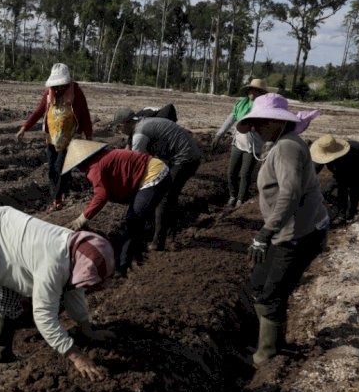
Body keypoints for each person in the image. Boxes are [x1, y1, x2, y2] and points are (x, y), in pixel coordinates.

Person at [0, 206, 116, 392]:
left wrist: (87, 329)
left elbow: (74, 292)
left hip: (1, 239)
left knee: (8, 303)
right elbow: (43, 316)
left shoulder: (77, 249)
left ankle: (1, 355)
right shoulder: (53, 265)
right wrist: (76, 356)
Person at [235, 93, 329, 365]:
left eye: (261, 122)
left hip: (297, 235)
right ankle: (274, 343)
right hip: (287, 231)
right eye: (253, 123)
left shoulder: (287, 147)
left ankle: (266, 356)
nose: (256, 128)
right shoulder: (283, 144)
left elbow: (290, 193)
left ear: (278, 123)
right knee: (259, 284)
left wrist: (265, 233)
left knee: (272, 294)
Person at [60, 139, 171, 274]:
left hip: (154, 176)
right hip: (156, 168)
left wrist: (82, 218)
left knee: (133, 220)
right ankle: (139, 251)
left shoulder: (95, 167)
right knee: (138, 216)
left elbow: (101, 195)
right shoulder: (104, 156)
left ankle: (122, 267)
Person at [111, 108, 202, 251]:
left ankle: (159, 242)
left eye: (119, 126)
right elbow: (127, 152)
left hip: (185, 159)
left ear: (127, 123)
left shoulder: (140, 134)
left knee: (164, 197)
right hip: (176, 155)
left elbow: (135, 165)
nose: (118, 130)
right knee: (166, 194)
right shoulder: (140, 125)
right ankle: (166, 234)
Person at [16, 63, 94, 212]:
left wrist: (88, 135)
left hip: (69, 138)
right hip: (52, 138)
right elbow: (39, 111)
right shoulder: (49, 93)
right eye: (55, 85)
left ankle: (57, 200)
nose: (57, 88)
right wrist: (25, 127)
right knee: (52, 169)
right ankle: (59, 193)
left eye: (60, 84)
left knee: (60, 167)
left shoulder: (76, 92)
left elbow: (84, 114)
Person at [212, 78, 269, 208]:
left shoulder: (265, 109)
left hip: (253, 146)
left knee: (245, 174)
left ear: (261, 93)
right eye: (250, 89)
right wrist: (219, 135)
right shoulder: (240, 104)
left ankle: (240, 199)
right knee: (231, 172)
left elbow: (268, 128)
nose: (251, 92)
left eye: (255, 90)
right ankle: (233, 195)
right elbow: (230, 119)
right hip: (238, 143)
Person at [310, 135, 359, 223]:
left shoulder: (346, 156)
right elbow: (314, 170)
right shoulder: (322, 152)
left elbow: (341, 183)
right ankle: (341, 206)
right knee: (327, 191)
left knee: (353, 187)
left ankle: (349, 213)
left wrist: (341, 215)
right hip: (346, 164)